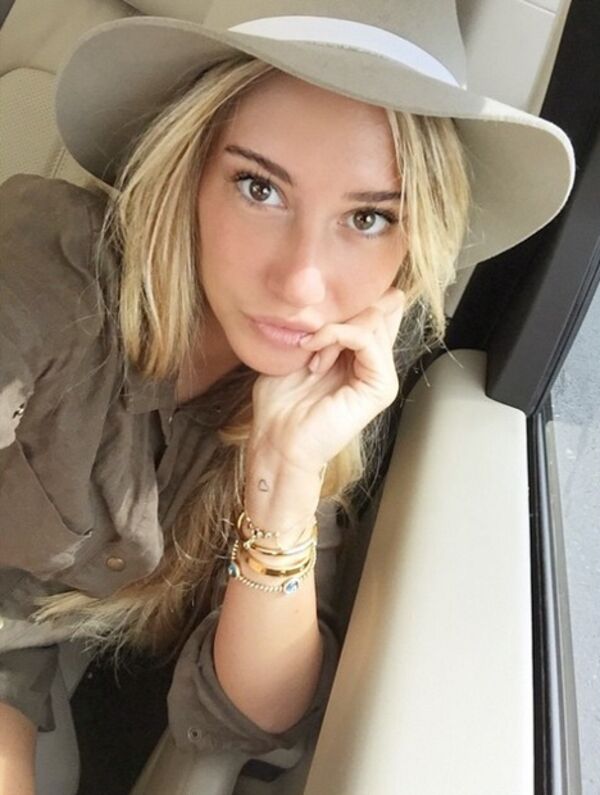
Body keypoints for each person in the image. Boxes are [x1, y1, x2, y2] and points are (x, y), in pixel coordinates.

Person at [0, 2, 574, 794]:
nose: (301, 280)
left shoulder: (310, 404)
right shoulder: (50, 262)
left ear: (413, 249)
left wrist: (285, 472)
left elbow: (249, 716)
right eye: (259, 187)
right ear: (188, 175)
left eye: (368, 217)